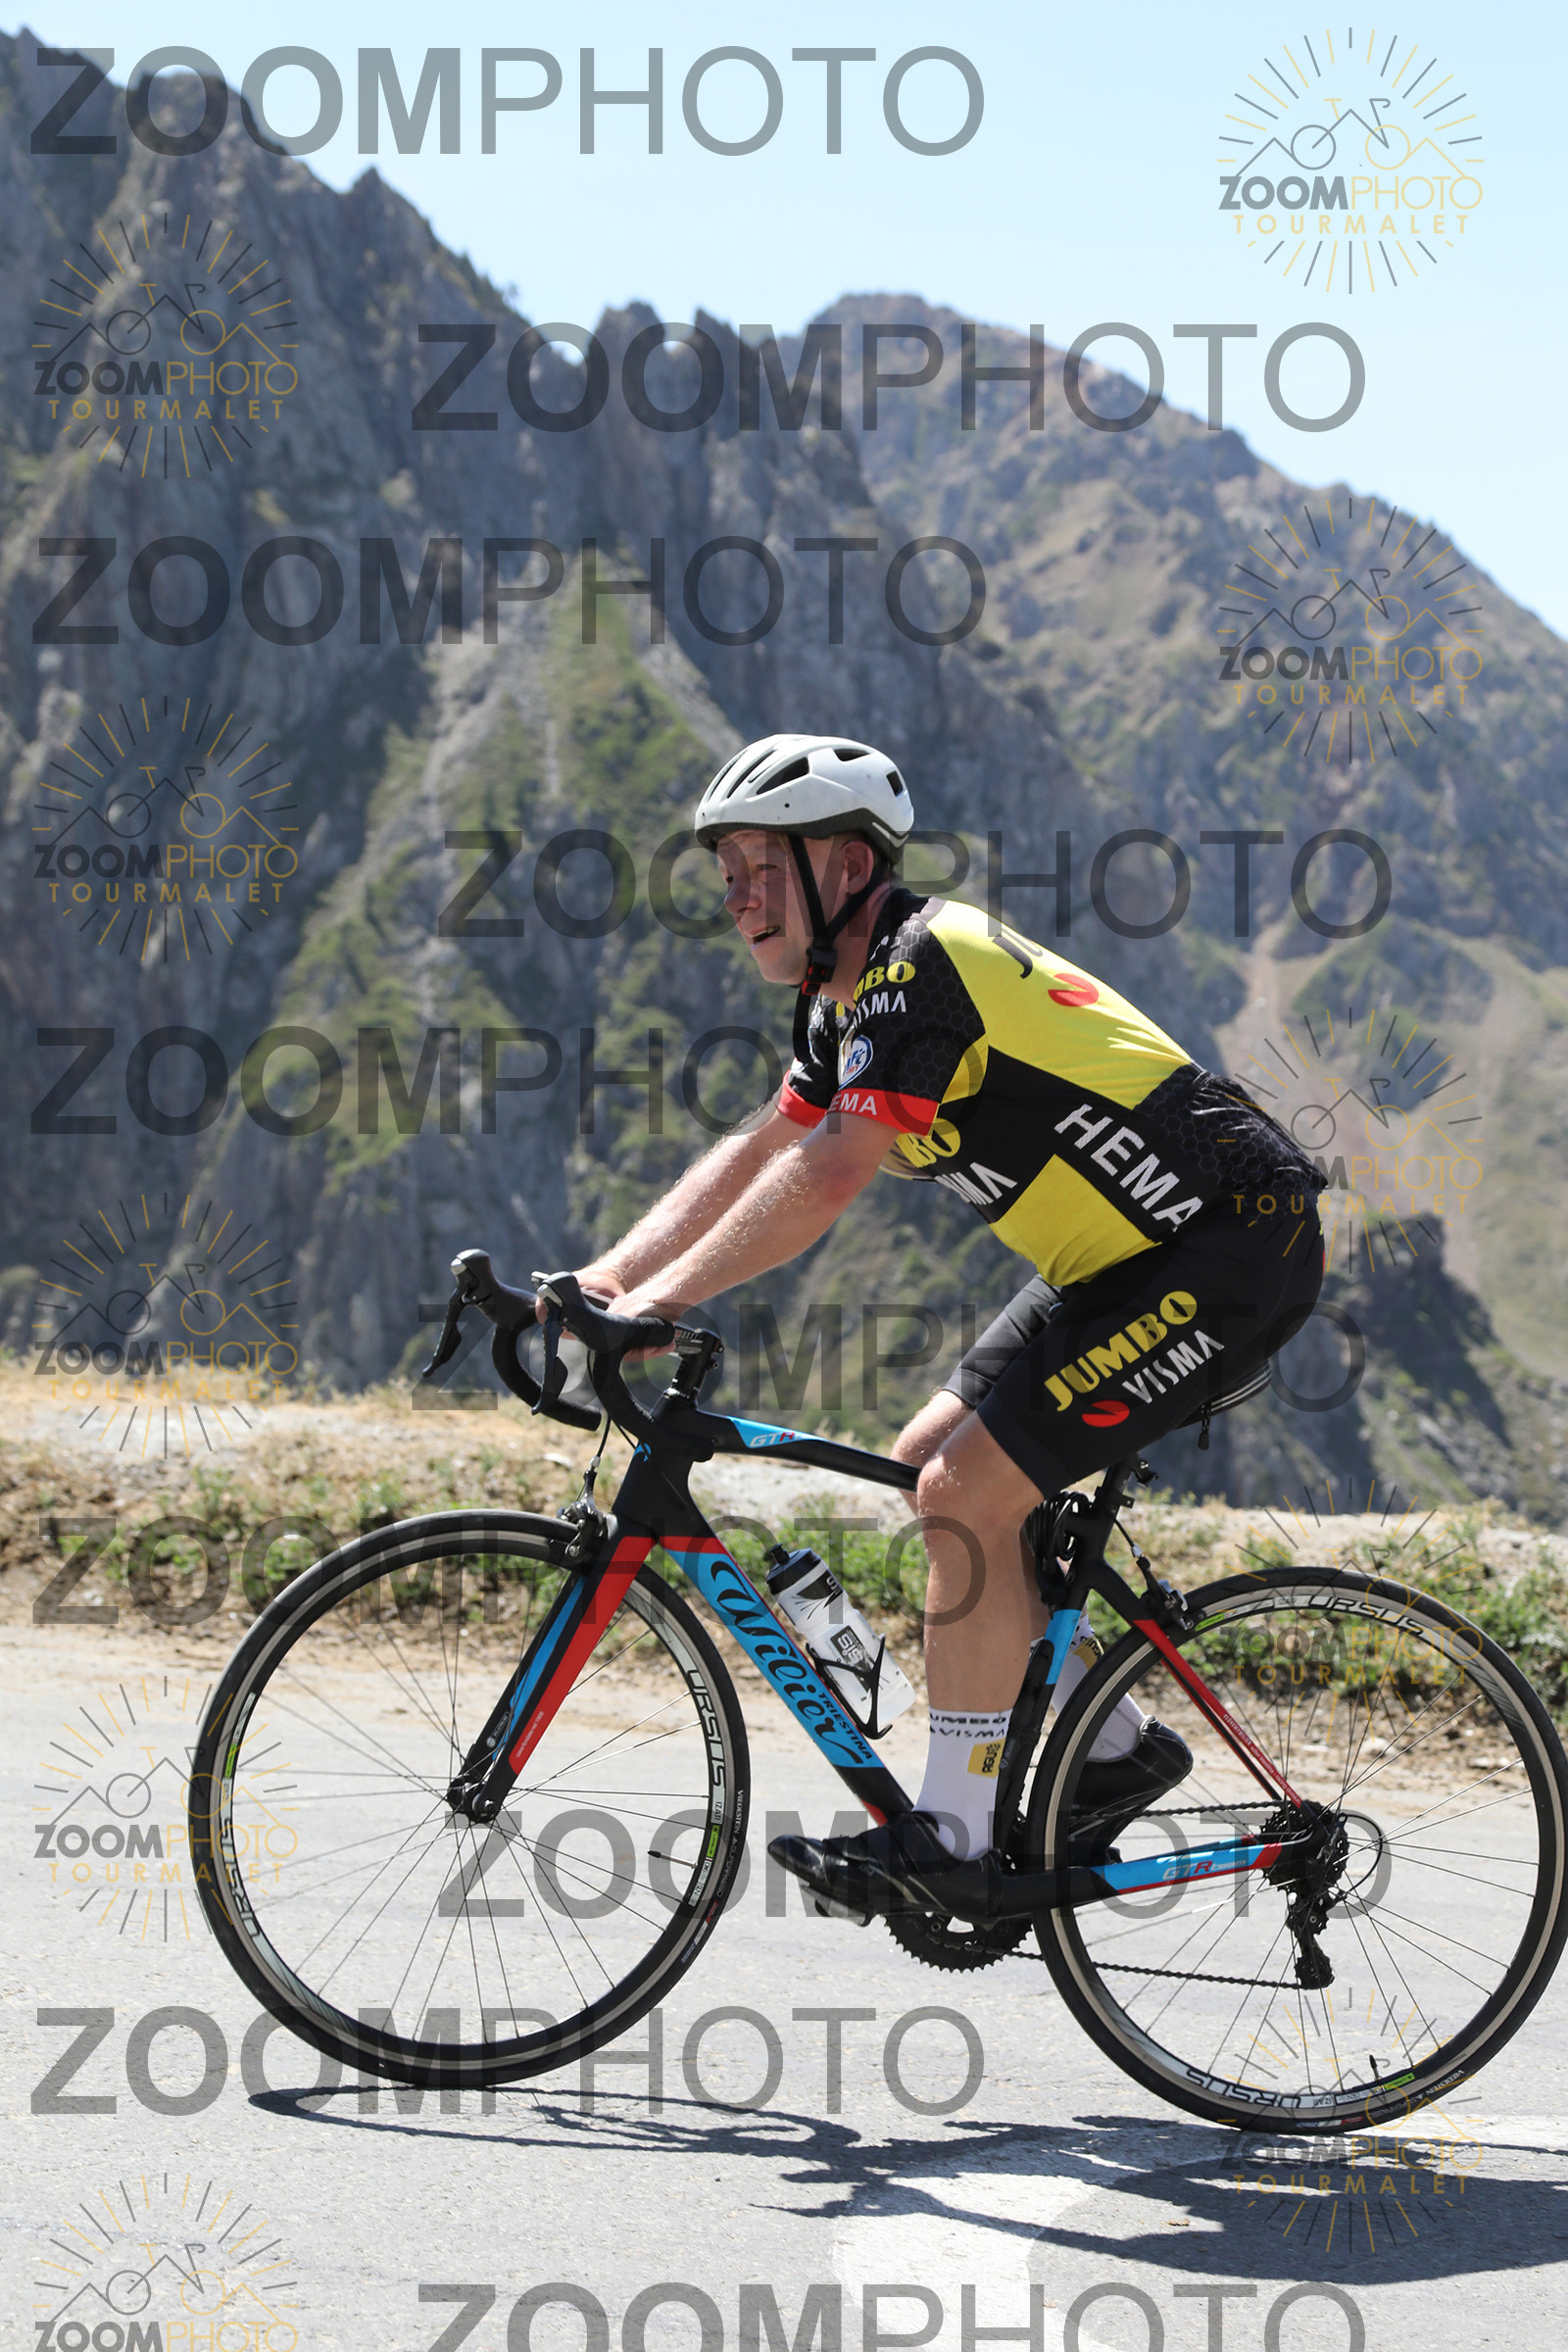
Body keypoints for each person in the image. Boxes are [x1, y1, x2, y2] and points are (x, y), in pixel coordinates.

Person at [562, 734, 1326, 1919]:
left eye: (763, 867)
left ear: (847, 866)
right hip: (1122, 1265)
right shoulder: (847, 1004)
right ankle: (1113, 1747)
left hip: (1230, 1245)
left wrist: (662, 1305)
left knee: (965, 1492)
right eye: (728, 874)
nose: (739, 898)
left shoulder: (923, 966)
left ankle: (953, 1836)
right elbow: (762, 1147)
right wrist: (605, 1282)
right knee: (930, 1464)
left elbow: (825, 1175)